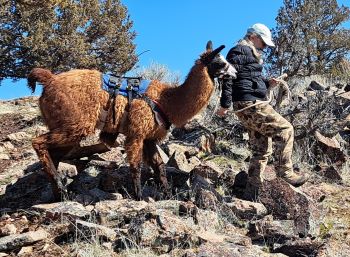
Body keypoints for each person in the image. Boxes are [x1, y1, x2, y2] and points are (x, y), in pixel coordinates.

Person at [217, 23, 309, 199]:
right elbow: (227, 75)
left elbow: (248, 79)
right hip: (250, 104)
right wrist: (224, 104)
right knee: (285, 129)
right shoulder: (240, 50)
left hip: (249, 103)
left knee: (261, 149)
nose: (265, 47)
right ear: (253, 37)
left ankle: (252, 193)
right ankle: (285, 172)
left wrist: (267, 84)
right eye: (264, 43)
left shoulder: (248, 53)